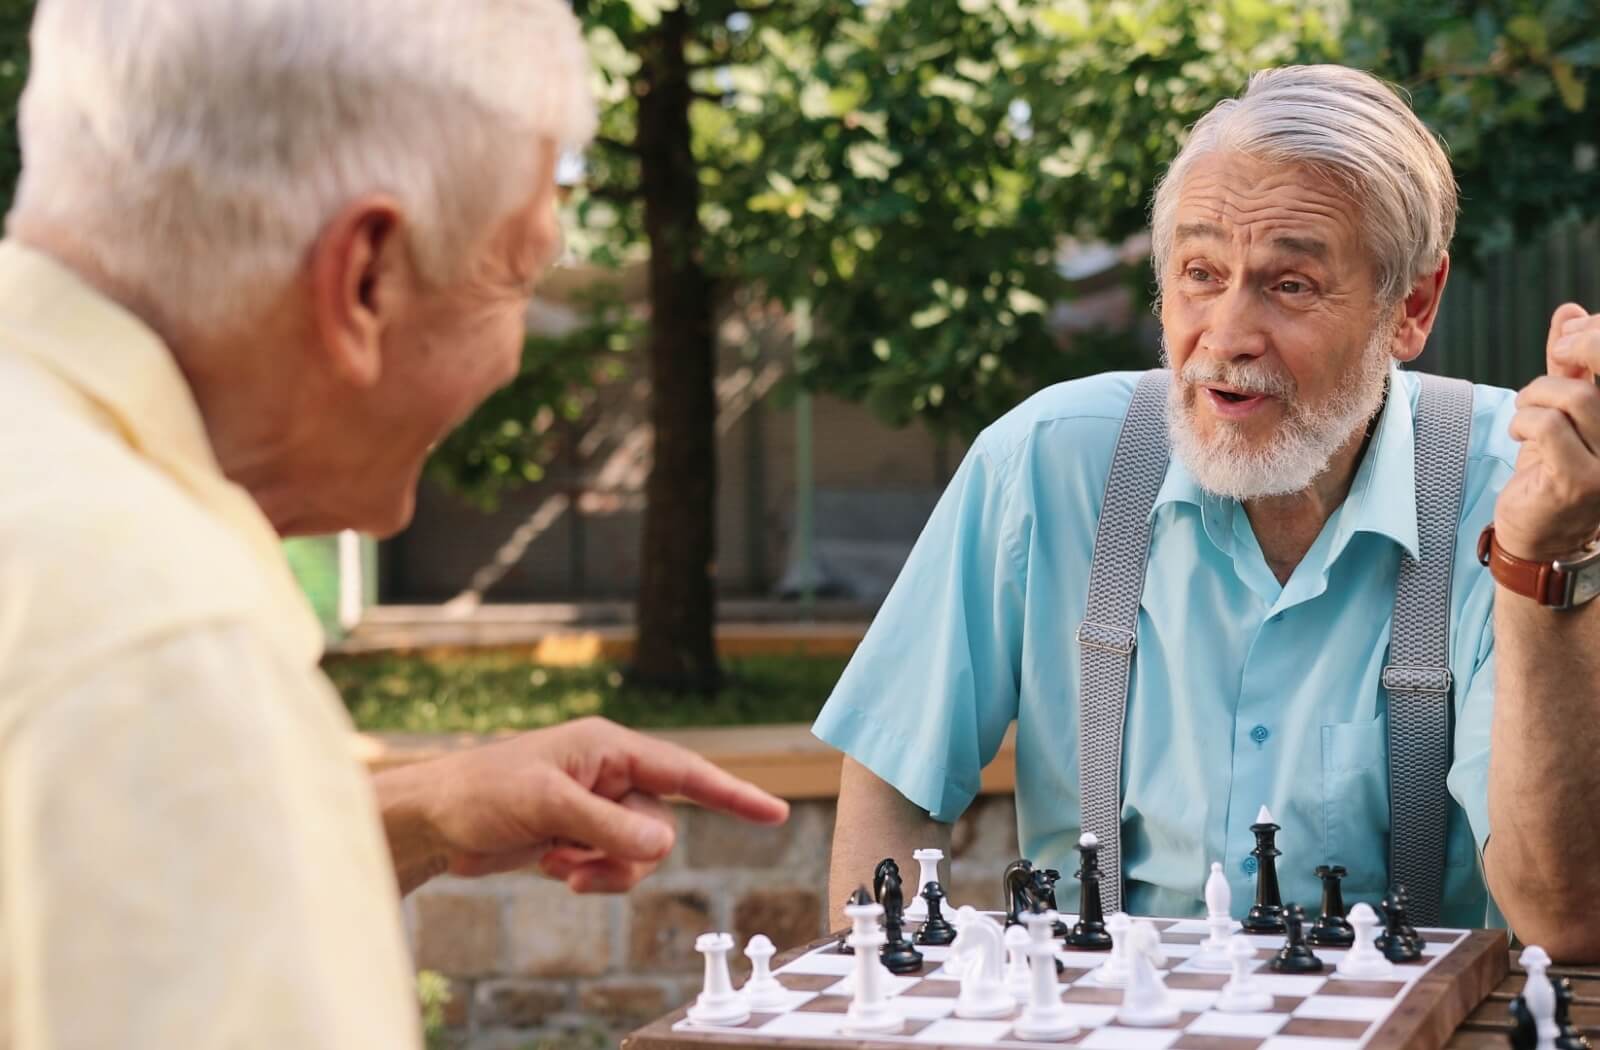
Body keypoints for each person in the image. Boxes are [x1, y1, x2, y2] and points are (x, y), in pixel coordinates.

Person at [0, 1, 788, 1046]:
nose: (512, 358)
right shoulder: (166, 652)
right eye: (517, 273)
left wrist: (414, 809)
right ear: (364, 277)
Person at [816, 64, 1600, 958]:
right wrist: (881, 991)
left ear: (1410, 308)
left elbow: (1568, 922)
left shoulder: (1527, 489)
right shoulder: (1044, 461)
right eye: (1199, 273)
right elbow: (890, 778)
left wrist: (1543, 562)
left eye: (1290, 285)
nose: (1225, 336)